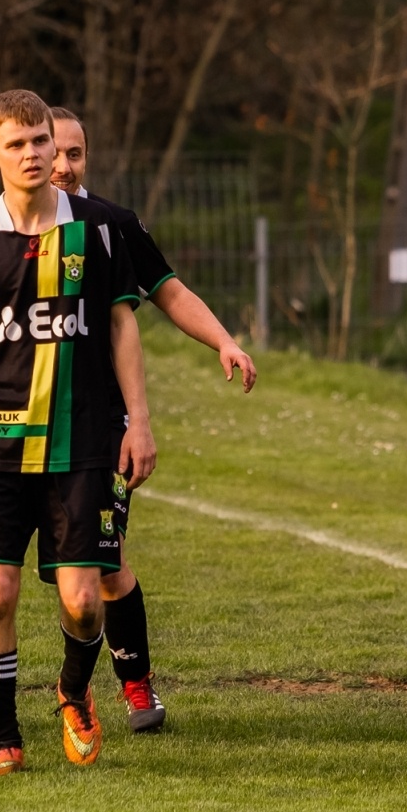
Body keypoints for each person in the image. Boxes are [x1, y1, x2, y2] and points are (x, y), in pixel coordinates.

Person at [0, 89, 155, 776]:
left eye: (41, 141)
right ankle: (4, 739)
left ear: (56, 148)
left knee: (83, 600)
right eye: (16, 144)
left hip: (79, 443)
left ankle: (73, 688)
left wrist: (137, 422)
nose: (32, 154)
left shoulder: (96, 232)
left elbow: (121, 324)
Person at [47, 106, 257, 732]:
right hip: (12, 425)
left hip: (98, 425)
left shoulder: (112, 225)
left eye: (75, 153)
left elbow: (169, 291)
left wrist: (223, 340)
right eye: (53, 151)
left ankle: (133, 684)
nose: (63, 165)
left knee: (104, 569)